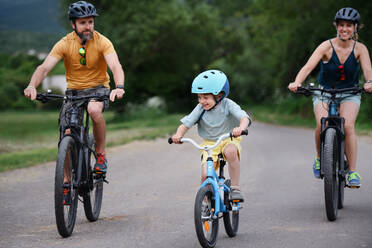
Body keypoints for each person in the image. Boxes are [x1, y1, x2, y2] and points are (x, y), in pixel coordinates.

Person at [24, 1, 125, 176]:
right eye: (83, 22)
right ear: (73, 24)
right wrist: (32, 85)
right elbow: (44, 68)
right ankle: (65, 180)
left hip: (98, 88)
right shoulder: (64, 43)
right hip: (74, 92)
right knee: (66, 133)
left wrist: (119, 87)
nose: (88, 27)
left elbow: (115, 65)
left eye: (91, 22)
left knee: (94, 110)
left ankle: (101, 155)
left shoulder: (103, 42)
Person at [288, 7, 372, 187]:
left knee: (348, 126)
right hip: (324, 92)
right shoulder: (327, 46)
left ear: (355, 28)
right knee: (321, 123)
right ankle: (320, 158)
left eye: (349, 26)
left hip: (350, 92)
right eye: (341, 25)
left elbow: (367, 70)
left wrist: (370, 82)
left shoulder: (360, 49)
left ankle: (352, 171)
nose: (344, 29)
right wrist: (297, 82)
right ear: (336, 26)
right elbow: (308, 67)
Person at [171, 69, 251, 201]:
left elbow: (244, 117)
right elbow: (186, 123)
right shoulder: (200, 108)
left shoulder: (228, 105)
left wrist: (240, 128)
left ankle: (235, 188)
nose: (202, 101)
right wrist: (178, 134)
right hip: (210, 144)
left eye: (206, 97)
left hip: (228, 139)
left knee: (230, 152)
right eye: (199, 97)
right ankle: (207, 203)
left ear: (219, 95)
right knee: (205, 175)